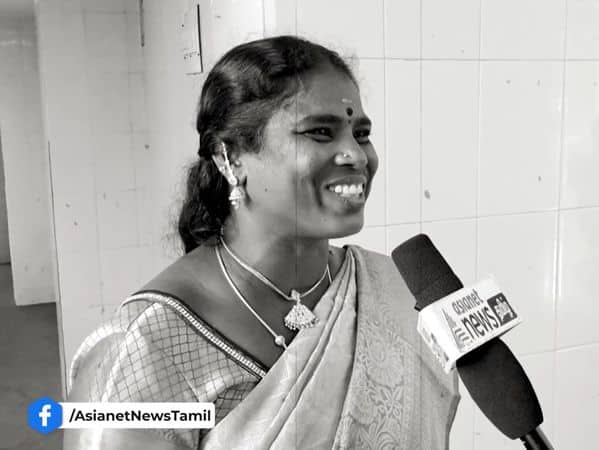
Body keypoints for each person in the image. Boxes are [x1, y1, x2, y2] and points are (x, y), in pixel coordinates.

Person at [64, 36, 459, 449]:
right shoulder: (141, 352)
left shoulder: (392, 288)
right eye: (321, 132)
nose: (357, 156)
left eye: (361, 134)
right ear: (230, 157)